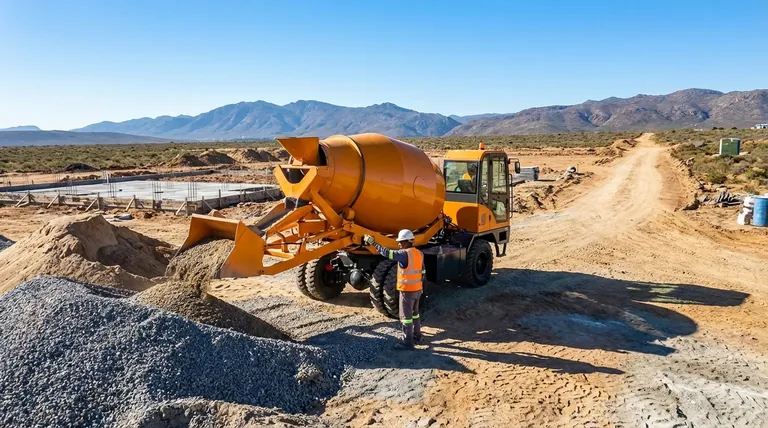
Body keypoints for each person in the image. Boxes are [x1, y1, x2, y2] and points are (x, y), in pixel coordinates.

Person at [363, 229, 424, 350]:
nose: (399, 244)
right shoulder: (419, 253)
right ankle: (418, 336)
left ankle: (407, 342)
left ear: (408, 242)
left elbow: (386, 253)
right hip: (417, 289)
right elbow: (423, 271)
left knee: (406, 317)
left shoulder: (404, 254)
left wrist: (373, 243)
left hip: (407, 291)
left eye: (401, 242)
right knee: (415, 314)